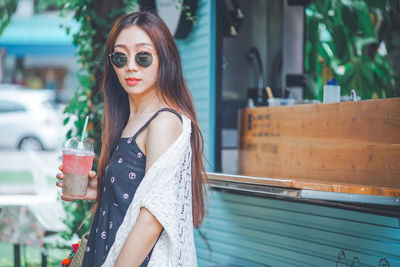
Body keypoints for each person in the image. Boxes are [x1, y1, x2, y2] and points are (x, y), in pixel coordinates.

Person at [56, 11, 208, 266]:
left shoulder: (163, 122)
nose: (131, 66)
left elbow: (152, 220)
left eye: (143, 56)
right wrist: (103, 190)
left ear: (164, 59)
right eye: (120, 57)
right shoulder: (130, 120)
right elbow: (138, 194)